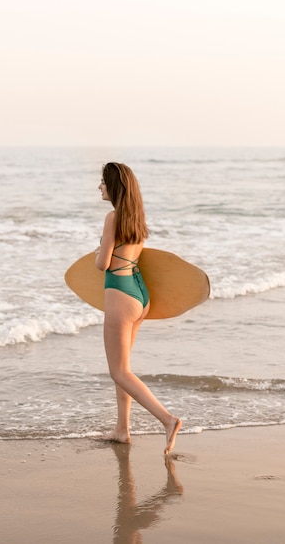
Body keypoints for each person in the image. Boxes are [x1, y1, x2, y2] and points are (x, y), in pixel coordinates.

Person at [94, 162, 182, 455]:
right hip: (139, 296)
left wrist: (98, 250)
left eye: (103, 182)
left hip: (119, 295)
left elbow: (102, 264)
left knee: (118, 372)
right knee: (124, 370)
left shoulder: (112, 218)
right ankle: (122, 430)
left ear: (114, 186)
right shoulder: (137, 220)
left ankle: (167, 420)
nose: (99, 187)